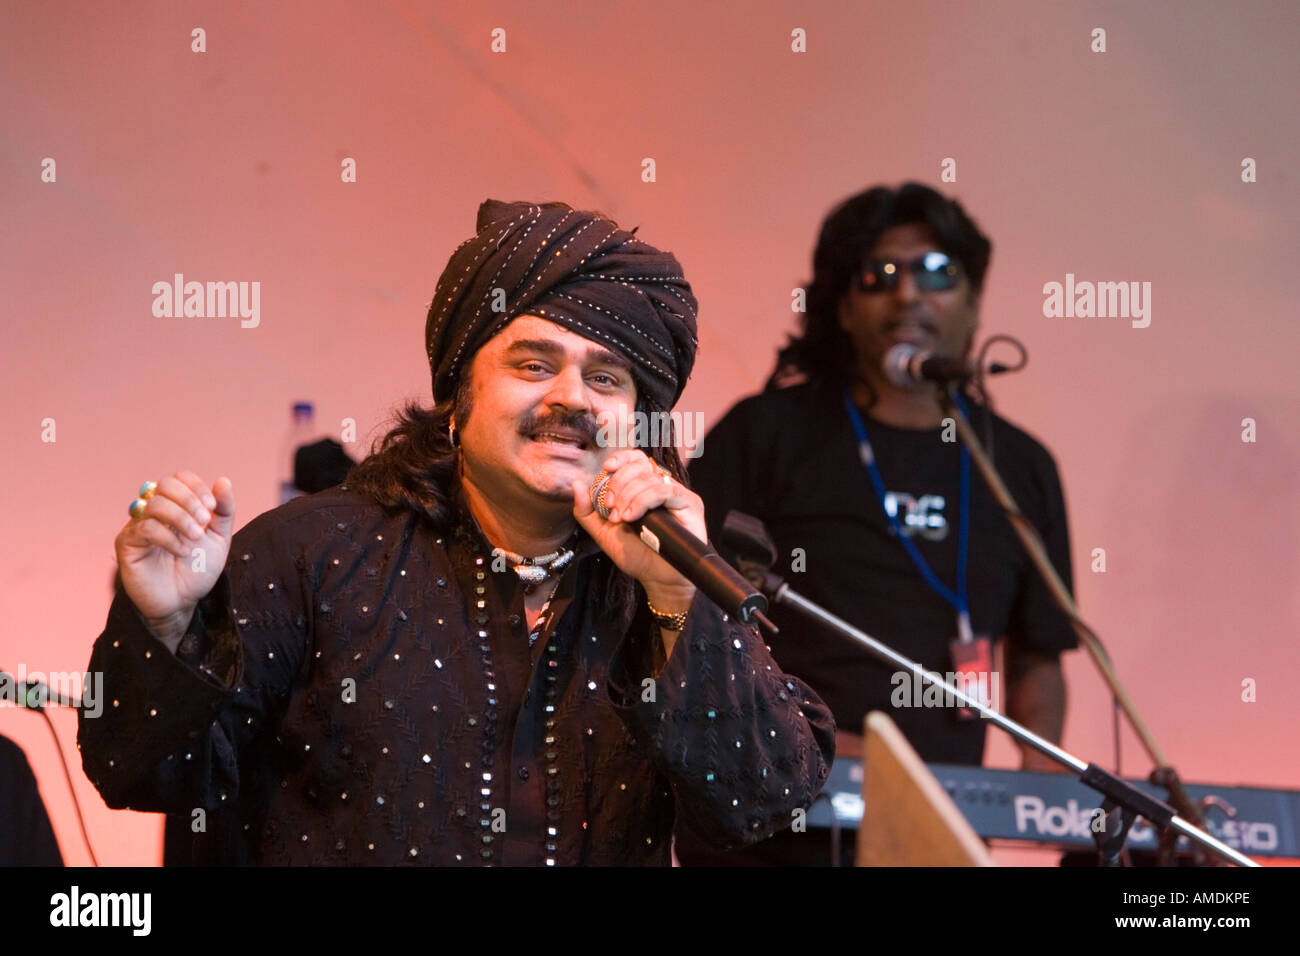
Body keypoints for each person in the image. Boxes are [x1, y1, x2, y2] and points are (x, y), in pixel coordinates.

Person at [77, 199, 834, 866]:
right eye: (534, 365)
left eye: (605, 379)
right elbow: (145, 774)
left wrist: (676, 597)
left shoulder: (662, 581)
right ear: (457, 396)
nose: (571, 397)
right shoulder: (310, 552)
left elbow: (759, 805)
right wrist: (166, 624)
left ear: (638, 420)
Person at [678, 183, 1076, 865]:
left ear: (975, 304)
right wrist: (801, 730)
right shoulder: (765, 432)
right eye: (880, 276)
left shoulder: (1018, 465)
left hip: (939, 829)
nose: (910, 296)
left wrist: (1038, 764)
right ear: (844, 308)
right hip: (777, 819)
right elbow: (687, 613)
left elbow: (1039, 651)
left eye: (939, 274)